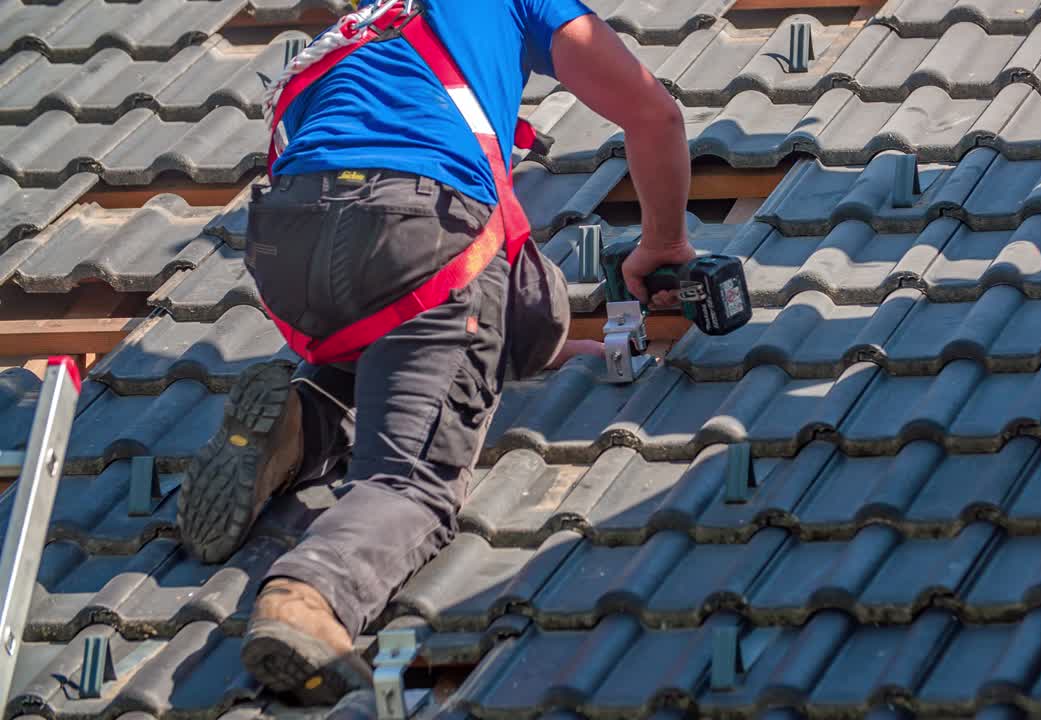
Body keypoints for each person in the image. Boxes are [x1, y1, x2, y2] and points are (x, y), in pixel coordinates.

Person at [174, 0, 695, 705]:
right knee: (412, 476)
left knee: (405, 345)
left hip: (286, 237)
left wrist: (546, 343)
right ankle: (310, 595)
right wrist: (663, 242)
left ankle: (302, 421)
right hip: (413, 223)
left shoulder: (370, 17)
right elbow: (653, 114)